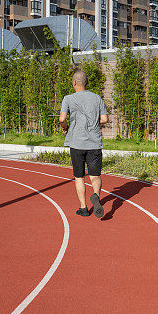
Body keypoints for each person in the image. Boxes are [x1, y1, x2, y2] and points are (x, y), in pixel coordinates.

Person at [59, 70, 109, 218]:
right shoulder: (97, 98)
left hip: (76, 143)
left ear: (74, 83)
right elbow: (105, 119)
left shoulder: (68, 98)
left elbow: (62, 119)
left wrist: (65, 128)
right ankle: (95, 195)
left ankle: (83, 208)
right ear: (86, 83)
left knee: (79, 177)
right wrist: (93, 122)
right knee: (95, 175)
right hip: (94, 143)